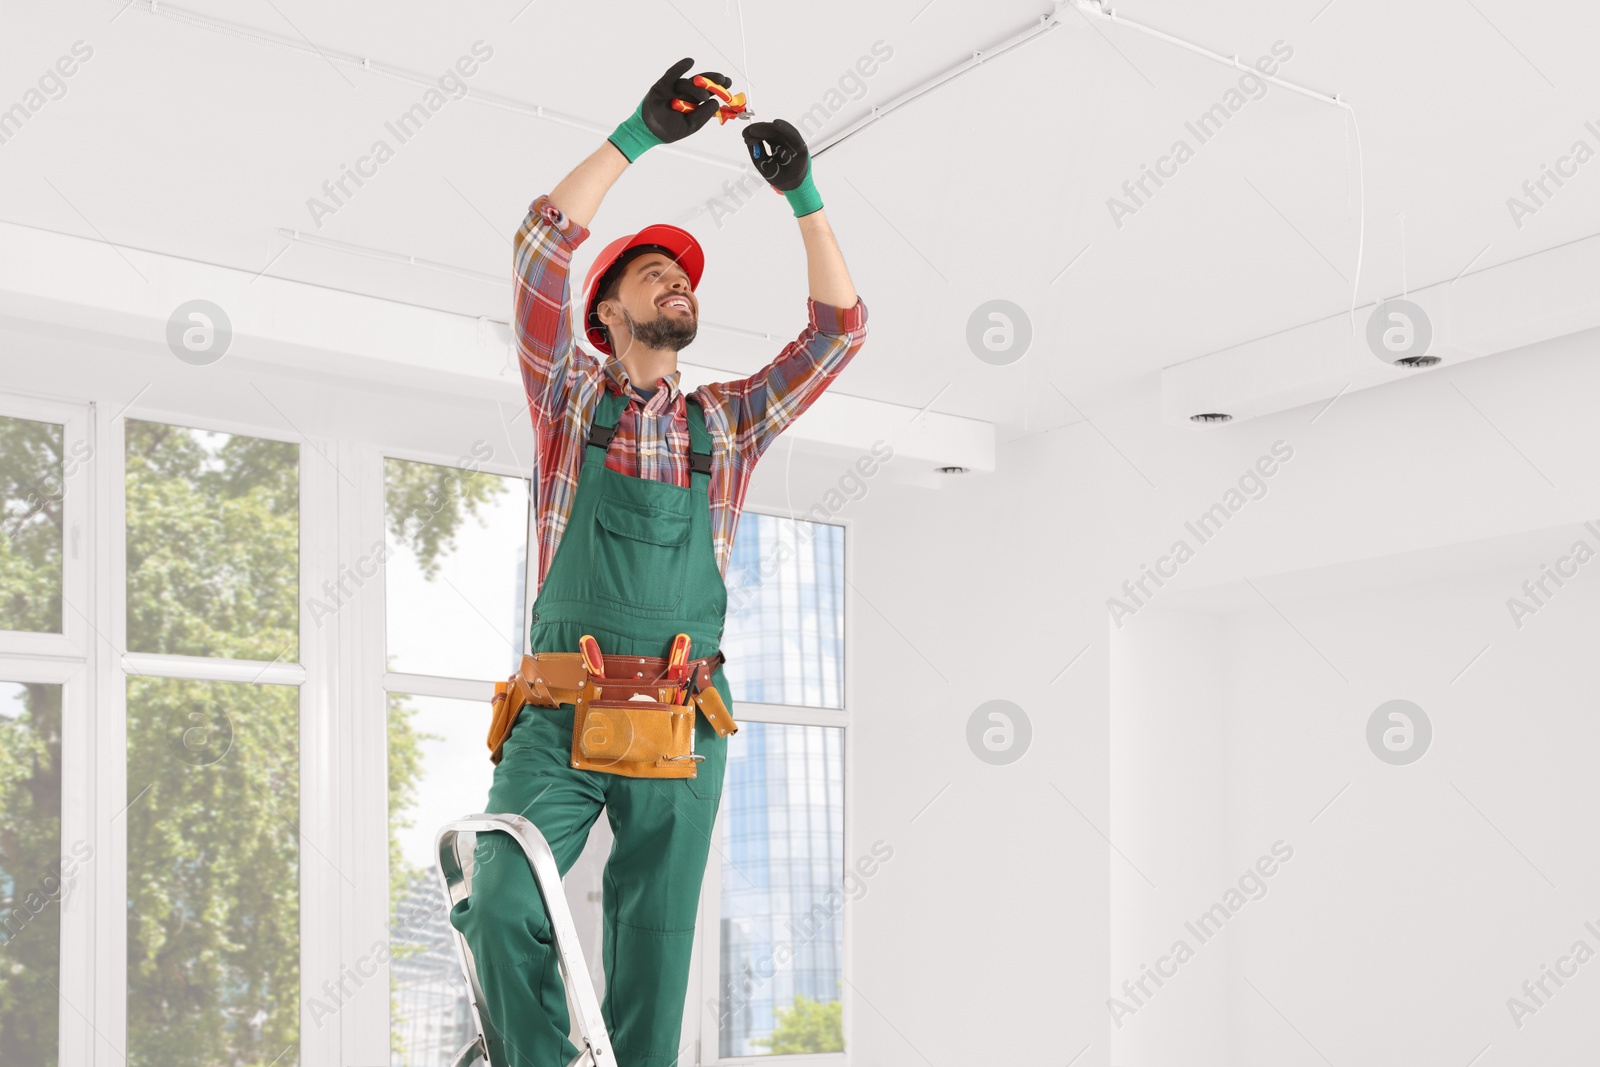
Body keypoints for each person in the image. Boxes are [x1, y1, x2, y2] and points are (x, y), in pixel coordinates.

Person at [448, 57, 868, 1066]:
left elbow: (838, 334)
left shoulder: (724, 421)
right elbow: (540, 247)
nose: (676, 281)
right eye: (652, 272)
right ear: (606, 316)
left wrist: (802, 194)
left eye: (681, 277)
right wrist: (638, 134)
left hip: (682, 717)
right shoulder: (568, 399)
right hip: (556, 712)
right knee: (503, 901)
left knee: (655, 957)